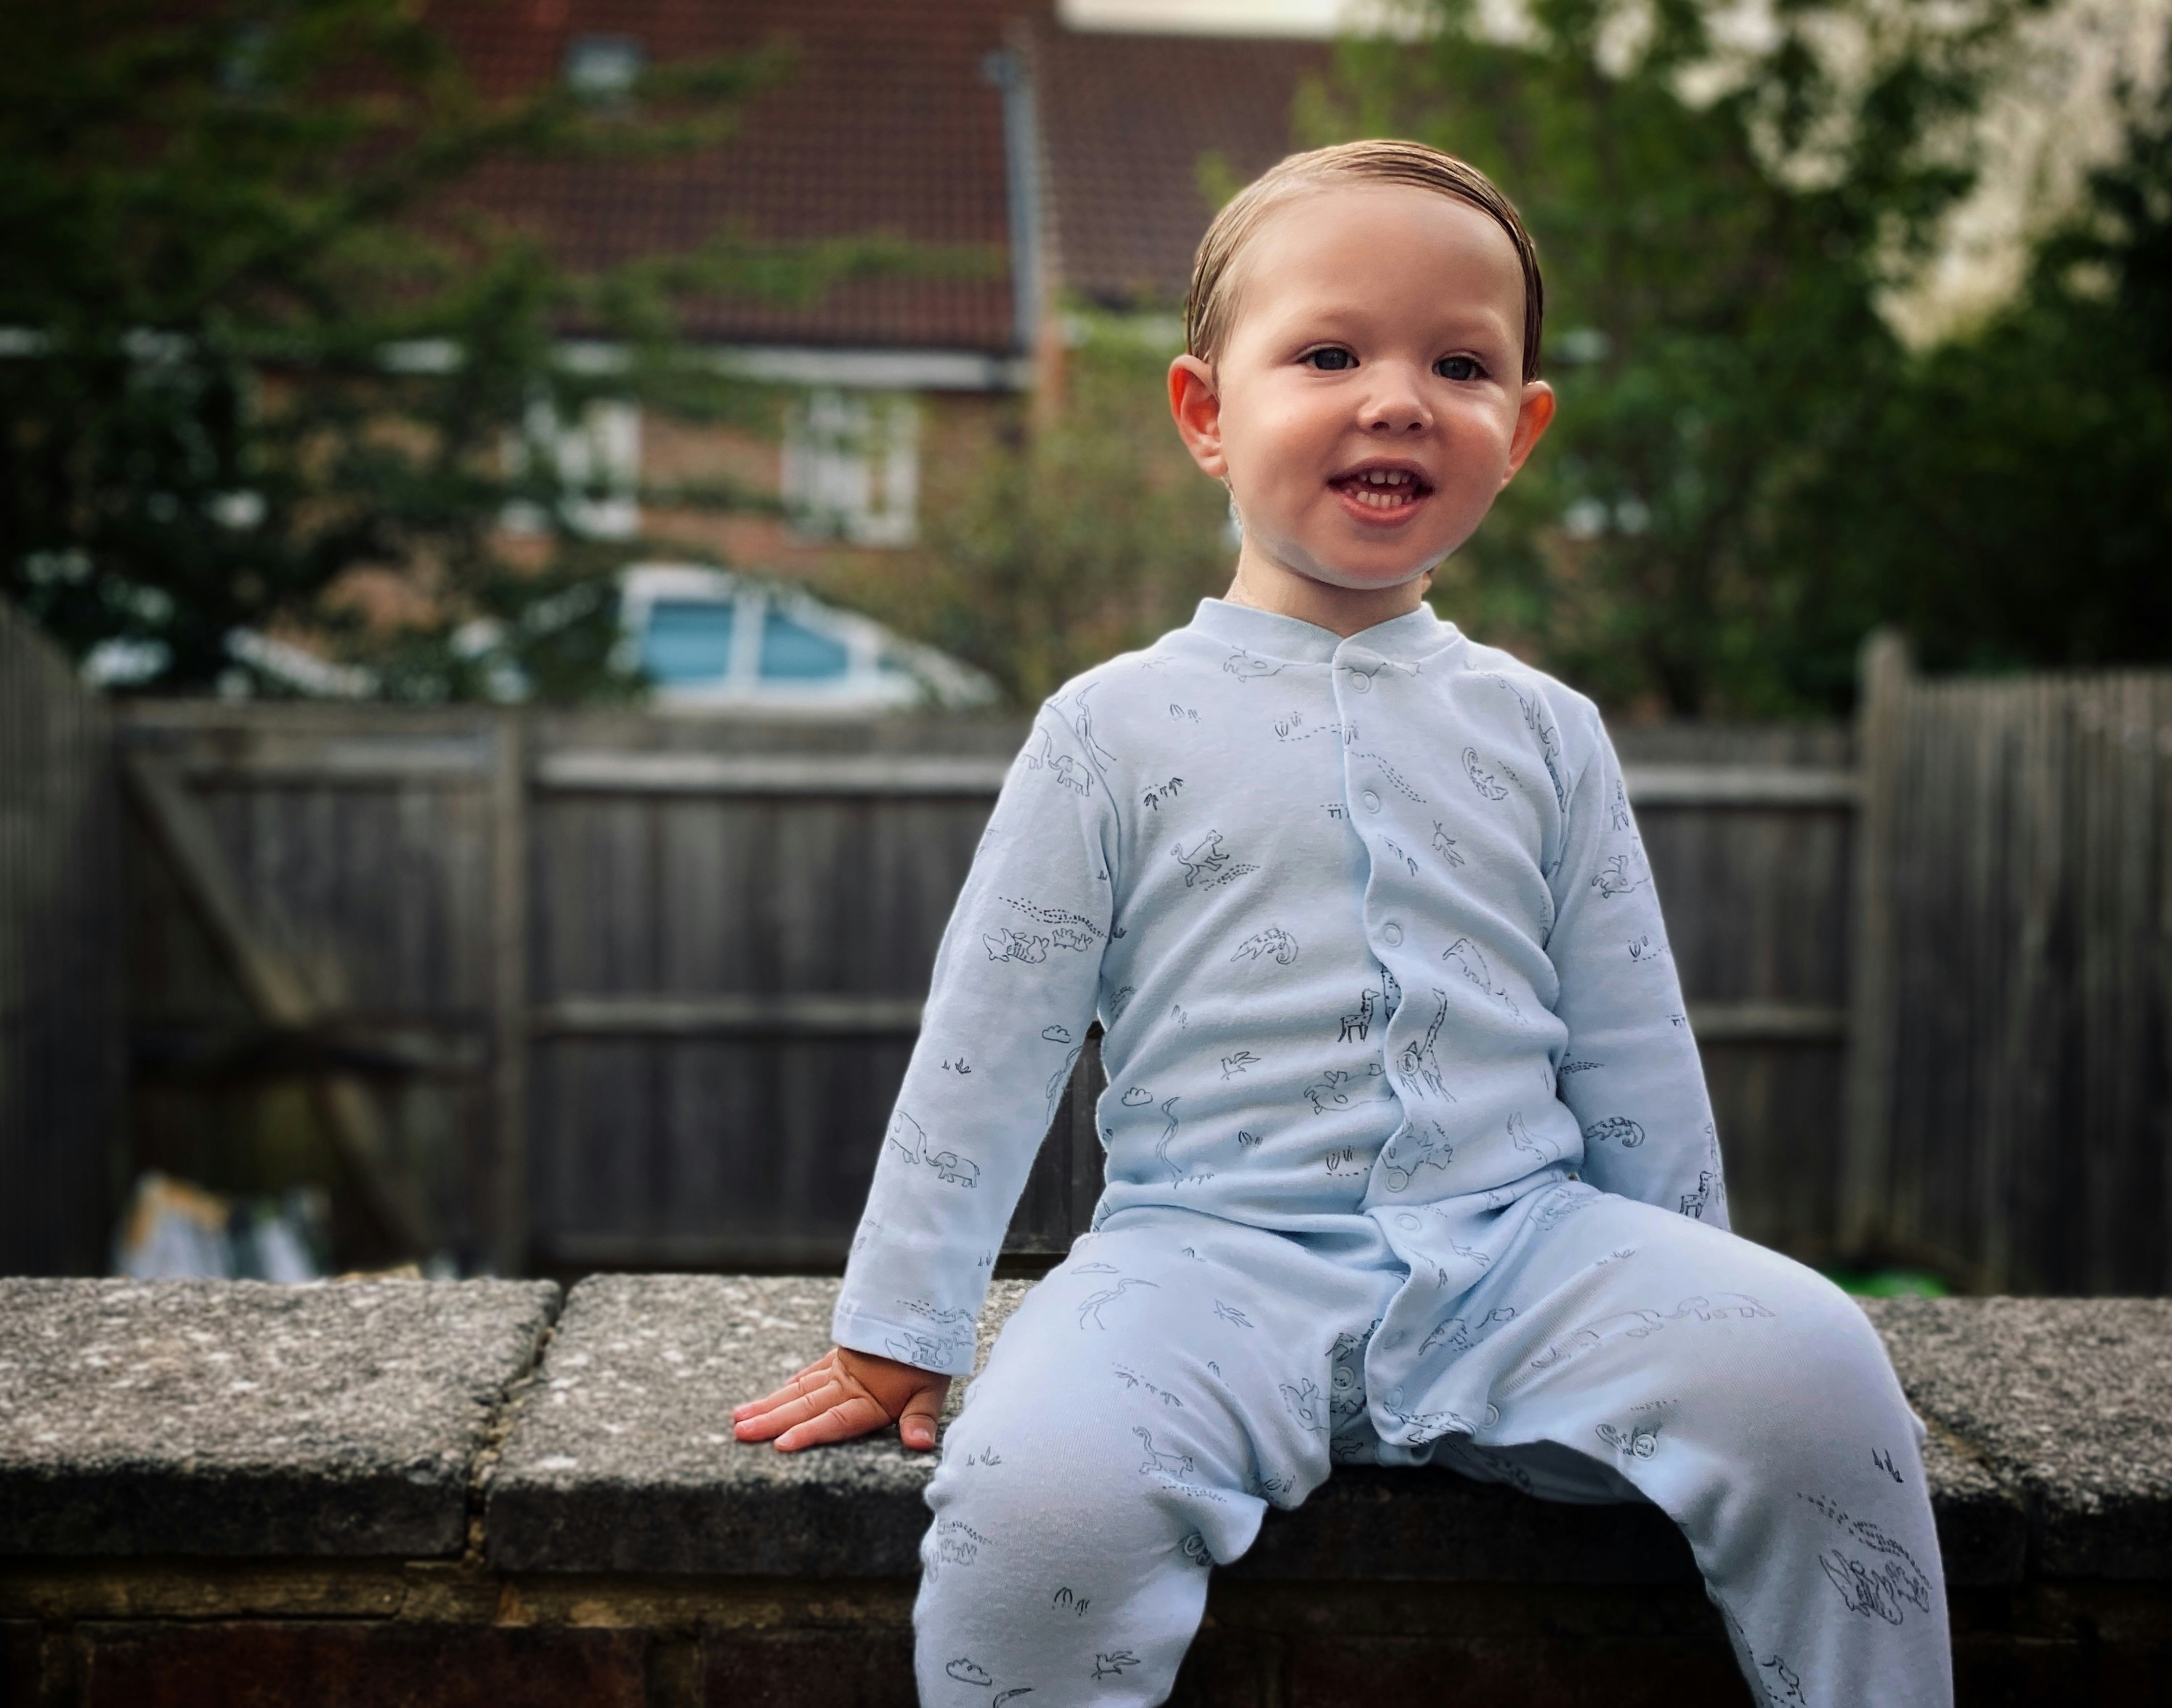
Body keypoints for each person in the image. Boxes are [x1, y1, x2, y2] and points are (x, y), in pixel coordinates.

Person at [733, 139, 1950, 1707]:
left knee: (1813, 1364)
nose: (1394, 396)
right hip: (1197, 1263)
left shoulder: (1545, 729)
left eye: (1457, 363)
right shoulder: (1111, 727)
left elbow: (1630, 1035)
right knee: (1037, 1493)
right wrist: (897, 1327)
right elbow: (990, 1035)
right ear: (1203, 412)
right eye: (1328, 352)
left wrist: (1685, 1303)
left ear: (1516, 435)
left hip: (1521, 1251)